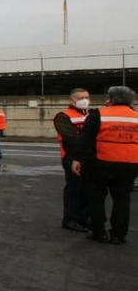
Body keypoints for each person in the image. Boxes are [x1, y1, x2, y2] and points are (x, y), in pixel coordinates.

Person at [73, 86, 138, 245]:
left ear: (111, 99)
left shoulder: (99, 115)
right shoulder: (136, 117)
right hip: (130, 164)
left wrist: (77, 159)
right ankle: (118, 235)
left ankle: (98, 231)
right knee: (122, 199)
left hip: (100, 163)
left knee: (96, 197)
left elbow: (85, 140)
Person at [53, 88, 92, 232]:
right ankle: (70, 219)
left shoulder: (92, 115)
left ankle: (84, 218)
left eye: (87, 97)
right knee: (75, 189)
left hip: (90, 157)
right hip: (72, 157)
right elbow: (71, 138)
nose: (84, 100)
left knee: (88, 190)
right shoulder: (63, 116)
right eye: (81, 97)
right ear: (72, 100)